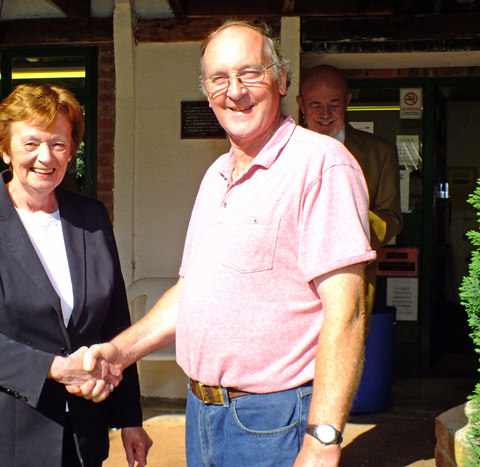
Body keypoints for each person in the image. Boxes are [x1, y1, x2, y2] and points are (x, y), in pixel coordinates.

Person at [71, 21, 376, 467]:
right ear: (207, 91)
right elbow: (193, 290)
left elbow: (347, 312)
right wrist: (120, 352)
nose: (235, 90)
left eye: (250, 73)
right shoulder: (216, 174)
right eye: (219, 78)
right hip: (203, 412)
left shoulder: (323, 164)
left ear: (281, 79)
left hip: (273, 420)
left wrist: (323, 438)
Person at [0, 84, 152, 467]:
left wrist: (128, 418)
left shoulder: (91, 217)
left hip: (80, 439)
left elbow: (116, 323)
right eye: (31, 143)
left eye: (58, 143)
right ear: (4, 148)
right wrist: (56, 368)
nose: (45, 157)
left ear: (71, 150)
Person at [297, 64, 403, 327]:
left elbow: (392, 220)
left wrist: (343, 215)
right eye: (315, 104)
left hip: (351, 288)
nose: (324, 114)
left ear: (347, 101)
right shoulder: (281, 153)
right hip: (293, 291)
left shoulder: (381, 152)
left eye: (334, 104)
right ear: (300, 104)